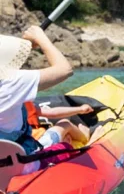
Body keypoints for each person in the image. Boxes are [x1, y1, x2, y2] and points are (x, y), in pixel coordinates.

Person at [0, 26, 90, 156]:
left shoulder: (13, 85)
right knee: (63, 126)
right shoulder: (11, 83)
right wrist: (40, 37)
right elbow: (65, 70)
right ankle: (87, 138)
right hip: (23, 161)